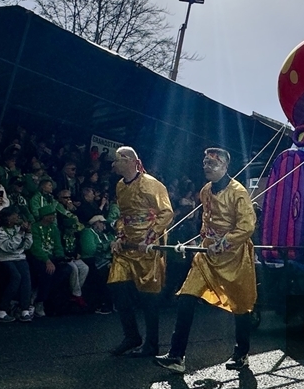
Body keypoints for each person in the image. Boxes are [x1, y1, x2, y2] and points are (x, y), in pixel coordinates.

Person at [155, 148, 257, 374]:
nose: (206, 166)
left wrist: (226, 241)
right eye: (204, 162)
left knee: (241, 305)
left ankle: (241, 353)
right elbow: (206, 222)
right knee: (186, 297)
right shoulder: (205, 191)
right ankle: (176, 355)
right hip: (207, 256)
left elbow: (247, 225)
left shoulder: (238, 192)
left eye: (213, 163)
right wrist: (200, 240)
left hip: (234, 257)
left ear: (225, 167)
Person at [107, 146, 173, 356]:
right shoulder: (120, 186)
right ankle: (132, 336)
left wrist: (151, 236)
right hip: (127, 246)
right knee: (117, 287)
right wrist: (119, 236)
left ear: (128, 161)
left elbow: (166, 213)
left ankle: (151, 343)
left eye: (117, 160)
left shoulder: (151, 184)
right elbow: (123, 217)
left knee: (149, 297)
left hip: (147, 246)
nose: (113, 164)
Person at [79, 214, 114, 314]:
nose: (104, 225)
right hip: (90, 260)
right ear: (96, 223)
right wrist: (107, 245)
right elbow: (90, 249)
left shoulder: (102, 234)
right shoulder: (87, 232)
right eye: (102, 223)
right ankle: (103, 304)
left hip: (102, 259)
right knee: (102, 273)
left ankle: (110, 303)